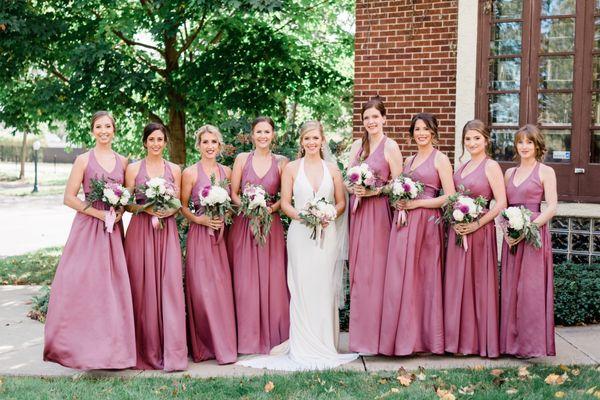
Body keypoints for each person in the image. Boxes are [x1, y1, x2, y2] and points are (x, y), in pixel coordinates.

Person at [238, 121, 358, 370]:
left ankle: (325, 343)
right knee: (301, 287)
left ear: (322, 140)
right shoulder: (292, 168)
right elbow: (285, 204)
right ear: (301, 142)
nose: (311, 143)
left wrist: (326, 215)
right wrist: (304, 216)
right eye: (307, 139)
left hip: (326, 234)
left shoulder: (333, 169)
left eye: (315, 138)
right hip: (300, 234)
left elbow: (341, 204)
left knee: (323, 287)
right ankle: (303, 344)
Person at [44, 111, 136, 370]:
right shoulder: (83, 160)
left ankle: (113, 350)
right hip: (88, 228)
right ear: (92, 131)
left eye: (108, 126)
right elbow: (69, 197)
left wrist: (119, 211)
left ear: (114, 130)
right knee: (85, 286)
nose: (104, 131)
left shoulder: (124, 161)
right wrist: (97, 213)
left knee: (113, 289)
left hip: (113, 232)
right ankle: (77, 347)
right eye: (99, 127)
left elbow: (127, 199)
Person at [379, 113, 455, 356]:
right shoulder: (409, 160)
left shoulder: (440, 159)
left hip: (427, 224)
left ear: (433, 132)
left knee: (425, 278)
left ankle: (426, 340)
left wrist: (418, 205)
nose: (421, 133)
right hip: (404, 223)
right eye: (417, 129)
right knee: (401, 278)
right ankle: (403, 339)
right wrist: (401, 201)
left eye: (425, 129)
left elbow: (450, 196)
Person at [124, 122, 187, 371]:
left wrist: (164, 208)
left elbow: (180, 204)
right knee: (141, 287)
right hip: (140, 231)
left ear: (165, 142)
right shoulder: (132, 169)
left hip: (166, 231)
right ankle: (143, 349)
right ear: (144, 142)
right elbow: (127, 203)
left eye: (160, 139)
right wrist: (146, 207)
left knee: (169, 286)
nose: (156, 144)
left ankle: (171, 352)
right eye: (151, 139)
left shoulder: (175, 169)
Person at [444, 119, 506, 357]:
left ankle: (477, 342)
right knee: (457, 283)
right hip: (459, 230)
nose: (472, 143)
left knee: (477, 284)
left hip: (480, 233)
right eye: (468, 139)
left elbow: (501, 203)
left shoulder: (491, 166)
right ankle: (457, 341)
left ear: (486, 140)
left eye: (477, 138)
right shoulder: (461, 166)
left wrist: (477, 224)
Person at [228, 116, 289, 354]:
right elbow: (233, 192)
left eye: (267, 132)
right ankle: (247, 339)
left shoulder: (282, 163)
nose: (263, 136)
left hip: (270, 226)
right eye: (258, 132)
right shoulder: (242, 159)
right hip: (244, 225)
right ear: (252, 135)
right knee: (245, 282)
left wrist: (268, 209)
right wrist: (248, 207)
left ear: (273, 135)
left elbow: (285, 198)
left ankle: (275, 338)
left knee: (273, 280)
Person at [346, 97, 403, 354]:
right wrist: (356, 187)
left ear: (384, 119)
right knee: (360, 274)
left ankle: (380, 339)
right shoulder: (358, 145)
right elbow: (347, 178)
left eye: (375, 117)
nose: (371, 121)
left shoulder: (390, 146)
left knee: (377, 273)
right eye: (366, 117)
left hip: (379, 214)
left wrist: (375, 190)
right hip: (358, 214)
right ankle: (361, 341)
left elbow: (399, 185)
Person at [181, 125, 237, 364]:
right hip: (200, 234)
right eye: (205, 142)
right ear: (198, 145)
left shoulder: (227, 172)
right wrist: (200, 219)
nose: (210, 146)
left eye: (214, 141)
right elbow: (182, 206)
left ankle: (223, 345)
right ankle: (202, 346)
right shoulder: (190, 173)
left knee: (221, 290)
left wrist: (224, 217)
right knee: (201, 290)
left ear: (219, 145)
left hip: (222, 236)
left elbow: (233, 202)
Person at [500, 124, 557, 358]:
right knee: (511, 289)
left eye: (529, 142)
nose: (524, 146)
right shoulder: (508, 174)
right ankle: (510, 345)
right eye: (520, 142)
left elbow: (552, 207)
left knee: (530, 290)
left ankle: (531, 346)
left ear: (537, 145)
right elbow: (503, 206)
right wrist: (506, 231)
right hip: (512, 237)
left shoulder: (545, 172)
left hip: (534, 236)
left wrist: (529, 228)